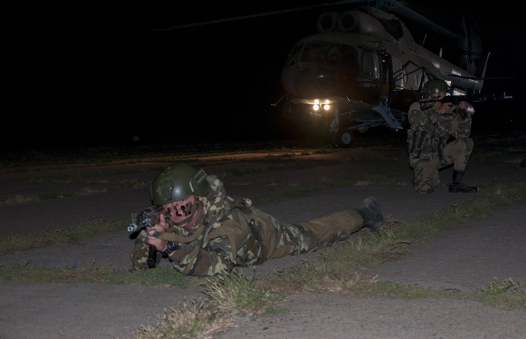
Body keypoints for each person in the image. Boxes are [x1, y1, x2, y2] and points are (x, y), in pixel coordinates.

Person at [130, 163, 384, 278]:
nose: (174, 214)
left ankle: (366, 214)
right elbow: (140, 267)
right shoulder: (171, 218)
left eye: (181, 205)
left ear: (198, 198)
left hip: (264, 236)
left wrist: (170, 248)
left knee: (315, 233)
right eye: (166, 208)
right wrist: (150, 237)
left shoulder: (226, 221)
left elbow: (220, 266)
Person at [407, 78, 478, 194]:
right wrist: (437, 112)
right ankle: (422, 175)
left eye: (445, 93)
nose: (444, 95)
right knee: (425, 190)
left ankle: (456, 183)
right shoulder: (418, 106)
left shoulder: (449, 113)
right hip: (422, 157)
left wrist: (463, 115)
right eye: (441, 93)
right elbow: (415, 121)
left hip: (440, 155)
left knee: (466, 143)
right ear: (432, 93)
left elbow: (462, 135)